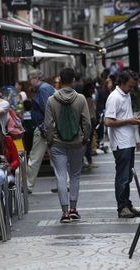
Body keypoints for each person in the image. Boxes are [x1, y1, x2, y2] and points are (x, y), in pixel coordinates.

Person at [44, 67, 91, 223]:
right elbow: (87, 122)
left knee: (61, 176)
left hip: (58, 144)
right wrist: (85, 138)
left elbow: (48, 125)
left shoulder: (51, 100)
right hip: (77, 143)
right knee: (75, 175)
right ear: (73, 81)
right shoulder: (81, 99)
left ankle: (64, 212)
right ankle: (73, 209)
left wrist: (50, 141)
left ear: (59, 80)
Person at [104, 70, 140, 218]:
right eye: (130, 86)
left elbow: (122, 116)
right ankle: (122, 207)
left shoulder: (125, 95)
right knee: (122, 176)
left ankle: (127, 204)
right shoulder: (114, 98)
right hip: (121, 143)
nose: (131, 89)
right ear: (122, 83)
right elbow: (108, 122)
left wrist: (133, 118)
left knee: (127, 176)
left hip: (128, 140)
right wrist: (129, 121)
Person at [26, 69, 57, 193]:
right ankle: (64, 183)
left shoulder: (43, 89)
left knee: (34, 158)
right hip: (49, 128)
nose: (29, 82)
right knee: (56, 158)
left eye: (30, 79)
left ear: (35, 79)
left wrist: (45, 128)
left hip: (44, 129)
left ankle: (28, 186)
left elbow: (47, 109)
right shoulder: (46, 88)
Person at [82, 78, 97, 169]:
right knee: (88, 142)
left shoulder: (83, 99)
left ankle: (85, 160)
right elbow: (91, 113)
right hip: (90, 122)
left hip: (85, 122)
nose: (93, 91)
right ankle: (89, 161)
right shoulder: (88, 100)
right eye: (91, 89)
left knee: (86, 142)